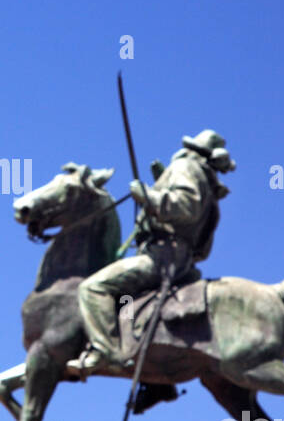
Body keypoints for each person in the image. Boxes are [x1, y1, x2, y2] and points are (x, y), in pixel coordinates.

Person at [76, 130, 235, 399]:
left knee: (93, 289)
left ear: (194, 151)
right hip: (180, 259)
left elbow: (185, 208)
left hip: (162, 257)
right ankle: (156, 382)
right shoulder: (204, 181)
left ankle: (105, 355)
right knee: (126, 301)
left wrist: (148, 197)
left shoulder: (186, 167)